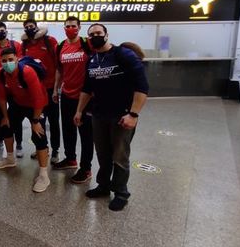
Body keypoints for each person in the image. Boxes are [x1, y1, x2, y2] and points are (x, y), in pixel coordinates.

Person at [74, 23, 149, 211]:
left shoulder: (123, 55)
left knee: (120, 156)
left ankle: (121, 193)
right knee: (103, 155)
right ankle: (104, 186)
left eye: (98, 33)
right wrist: (79, 111)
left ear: (107, 34)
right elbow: (87, 89)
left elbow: (142, 87)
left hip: (121, 116)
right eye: (91, 35)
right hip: (99, 115)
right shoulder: (92, 59)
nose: (95, 36)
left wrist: (133, 114)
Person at [0, 48, 51, 192]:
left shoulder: (27, 72)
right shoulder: (0, 75)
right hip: (18, 104)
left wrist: (35, 121)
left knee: (38, 135)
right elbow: (1, 97)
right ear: (1, 62)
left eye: (11, 60)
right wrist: (5, 117)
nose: (8, 63)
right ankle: (10, 159)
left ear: (17, 59)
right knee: (5, 127)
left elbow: (38, 99)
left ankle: (44, 175)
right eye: (4, 61)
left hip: (36, 106)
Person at [52, 16, 94, 184]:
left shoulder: (87, 44)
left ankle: (86, 168)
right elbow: (59, 70)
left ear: (79, 27)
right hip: (67, 95)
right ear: (64, 28)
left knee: (86, 134)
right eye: (67, 26)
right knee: (68, 130)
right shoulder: (60, 46)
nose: (70, 28)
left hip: (86, 97)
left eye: (73, 26)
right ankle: (71, 159)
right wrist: (56, 89)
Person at [22, 19, 60, 161]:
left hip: (51, 89)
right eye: (26, 27)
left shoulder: (49, 41)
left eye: (31, 26)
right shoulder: (24, 44)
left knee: (54, 122)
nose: (29, 28)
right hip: (36, 91)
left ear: (37, 27)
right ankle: (42, 148)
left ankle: (55, 150)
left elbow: (58, 66)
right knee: (38, 121)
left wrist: (57, 88)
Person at [0, 22, 23, 155]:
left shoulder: (16, 45)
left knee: (17, 114)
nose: (0, 33)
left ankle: (19, 144)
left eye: (2, 30)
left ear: (6, 31)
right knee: (0, 115)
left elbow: (20, 61)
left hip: (14, 87)